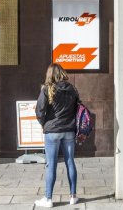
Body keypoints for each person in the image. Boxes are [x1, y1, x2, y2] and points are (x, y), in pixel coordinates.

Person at [34, 63, 79, 208]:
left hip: (52, 131)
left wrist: (44, 124)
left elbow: (39, 110)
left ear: (50, 74)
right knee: (70, 162)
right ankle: (73, 197)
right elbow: (78, 107)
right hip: (69, 130)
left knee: (51, 165)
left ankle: (48, 199)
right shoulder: (72, 89)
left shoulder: (47, 89)